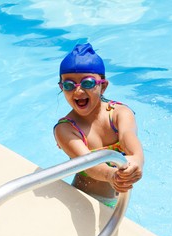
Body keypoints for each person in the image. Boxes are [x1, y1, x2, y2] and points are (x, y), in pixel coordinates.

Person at [53, 43, 144, 208]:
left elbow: (130, 141)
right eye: (68, 85)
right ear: (62, 88)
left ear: (103, 86)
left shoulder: (120, 114)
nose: (78, 91)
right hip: (84, 200)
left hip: (118, 199)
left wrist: (137, 163)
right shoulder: (65, 129)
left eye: (87, 83)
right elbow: (88, 165)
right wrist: (111, 175)